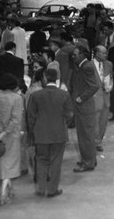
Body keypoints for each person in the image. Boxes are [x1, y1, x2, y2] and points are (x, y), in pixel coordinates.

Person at [27, 69, 72, 198]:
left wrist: (32, 132)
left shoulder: (35, 96)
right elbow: (69, 114)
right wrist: (65, 125)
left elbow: (31, 117)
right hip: (59, 134)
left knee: (41, 160)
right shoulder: (64, 95)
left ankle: (41, 189)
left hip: (41, 134)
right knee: (56, 162)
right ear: (56, 79)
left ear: (45, 78)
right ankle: (52, 190)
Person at [0, 73, 24, 206]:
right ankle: (3, 192)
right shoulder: (17, 98)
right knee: (9, 164)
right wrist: (5, 132)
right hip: (11, 136)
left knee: (1, 163)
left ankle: (8, 188)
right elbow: (15, 120)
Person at [71, 45, 100, 173]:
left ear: (83, 54)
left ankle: (87, 163)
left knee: (85, 136)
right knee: (86, 135)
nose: (73, 56)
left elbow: (94, 86)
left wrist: (81, 98)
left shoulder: (86, 67)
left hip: (84, 107)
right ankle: (90, 159)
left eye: (75, 54)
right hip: (82, 107)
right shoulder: (82, 66)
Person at [92, 46, 113, 152]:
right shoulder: (89, 65)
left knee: (103, 122)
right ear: (96, 53)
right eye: (103, 53)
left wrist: (110, 86)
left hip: (105, 97)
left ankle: (99, 141)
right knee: (94, 122)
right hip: (94, 98)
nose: (105, 55)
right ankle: (93, 141)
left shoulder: (109, 64)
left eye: (106, 53)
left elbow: (111, 78)